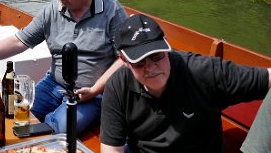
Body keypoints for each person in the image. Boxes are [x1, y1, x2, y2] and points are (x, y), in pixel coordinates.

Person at [0, 0, 127, 134]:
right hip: (53, 84)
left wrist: (94, 90)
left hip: (94, 93)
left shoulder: (112, 11)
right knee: (17, 114)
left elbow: (124, 58)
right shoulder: (51, 10)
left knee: (61, 128)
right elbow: (19, 41)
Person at [100, 13, 271, 153]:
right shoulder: (118, 87)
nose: (150, 67)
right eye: (139, 62)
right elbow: (111, 148)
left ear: (166, 46)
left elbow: (267, 78)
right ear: (124, 61)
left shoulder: (202, 72)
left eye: (156, 56)